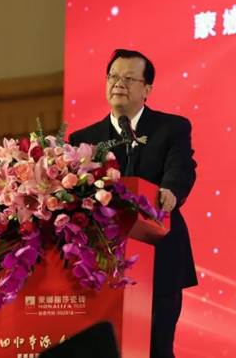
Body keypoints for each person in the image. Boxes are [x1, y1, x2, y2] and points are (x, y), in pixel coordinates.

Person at [69, 49, 198, 358]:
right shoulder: (82, 139)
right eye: (113, 76)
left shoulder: (171, 127)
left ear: (146, 89)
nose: (119, 83)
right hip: (100, 260)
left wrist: (170, 190)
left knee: (156, 348)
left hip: (158, 256)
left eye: (129, 78)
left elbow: (182, 166)